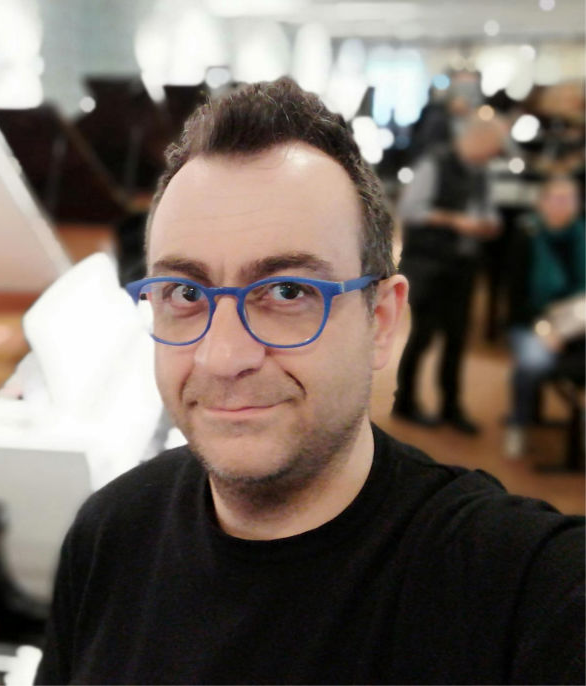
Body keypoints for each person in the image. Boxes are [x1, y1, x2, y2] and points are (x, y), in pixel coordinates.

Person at [36, 78, 584, 685]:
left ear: (381, 321)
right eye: (185, 294)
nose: (223, 357)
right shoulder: (107, 533)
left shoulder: (519, 585)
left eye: (288, 290)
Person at [393, 116, 505, 434]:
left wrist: (489, 225)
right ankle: (406, 402)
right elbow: (410, 210)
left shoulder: (481, 173)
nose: (495, 153)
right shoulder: (435, 163)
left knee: (457, 339)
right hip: (429, 265)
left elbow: (488, 211)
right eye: (494, 146)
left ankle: (451, 406)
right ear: (478, 139)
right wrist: (455, 221)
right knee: (423, 336)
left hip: (462, 266)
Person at [505, 175, 585, 457]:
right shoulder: (527, 237)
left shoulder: (581, 236)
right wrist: (546, 329)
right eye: (557, 199)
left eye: (570, 199)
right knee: (532, 362)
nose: (564, 205)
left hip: (578, 324)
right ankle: (518, 423)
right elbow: (516, 301)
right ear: (542, 202)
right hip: (533, 321)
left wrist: (568, 329)